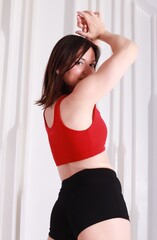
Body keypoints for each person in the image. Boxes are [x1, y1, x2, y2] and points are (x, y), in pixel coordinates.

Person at [36, 10, 138, 240]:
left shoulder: (50, 110)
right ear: (59, 66)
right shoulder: (81, 97)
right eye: (79, 62)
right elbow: (130, 49)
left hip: (66, 202)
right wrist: (103, 33)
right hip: (98, 195)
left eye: (92, 64)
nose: (87, 72)